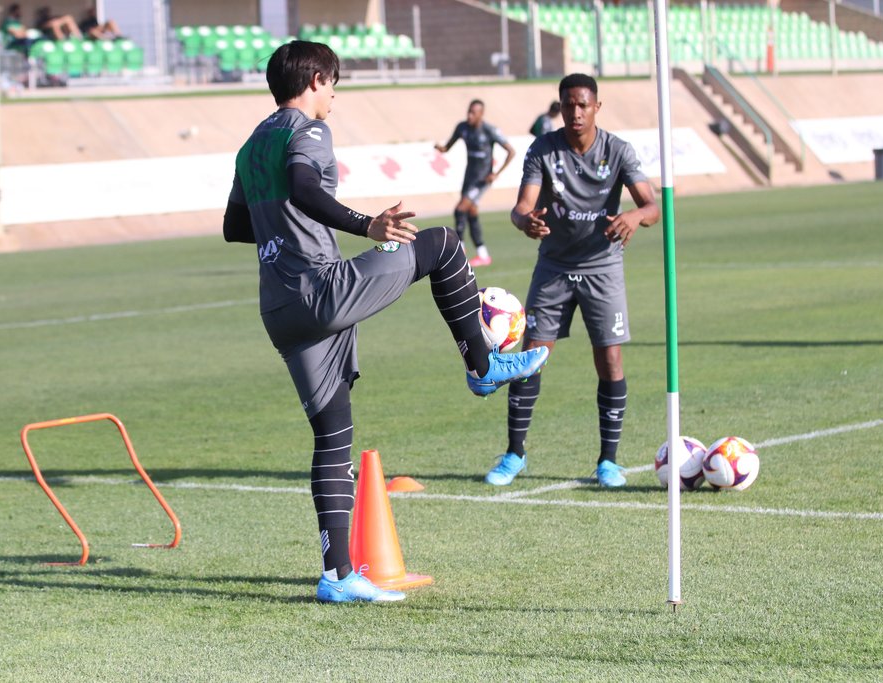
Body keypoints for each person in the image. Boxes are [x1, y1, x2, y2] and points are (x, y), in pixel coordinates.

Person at [223, 40, 549, 604]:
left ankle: (337, 576)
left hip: (279, 309)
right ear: (316, 80)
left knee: (332, 436)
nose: (334, 95)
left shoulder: (252, 145)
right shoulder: (308, 128)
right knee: (442, 245)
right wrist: (365, 225)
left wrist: (284, 228)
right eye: (333, 83)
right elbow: (303, 185)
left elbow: (235, 226)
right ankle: (483, 365)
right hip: (321, 291)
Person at [483, 73, 660, 489]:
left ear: (597, 106)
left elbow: (652, 206)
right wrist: (526, 222)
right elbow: (521, 207)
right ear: (560, 107)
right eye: (568, 105)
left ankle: (608, 462)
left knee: (610, 360)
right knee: (530, 358)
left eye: (583, 105)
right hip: (554, 268)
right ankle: (514, 454)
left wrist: (634, 216)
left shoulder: (617, 150)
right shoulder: (543, 149)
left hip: (603, 267)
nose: (576, 112)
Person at [434, 100, 515, 268]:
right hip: (469, 177)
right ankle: (483, 254)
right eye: (468, 112)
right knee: (471, 213)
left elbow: (511, 151)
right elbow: (448, 147)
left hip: (481, 180)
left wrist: (496, 173)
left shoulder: (489, 130)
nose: (469, 116)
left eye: (473, 113)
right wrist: (441, 148)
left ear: (481, 114)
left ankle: (459, 252)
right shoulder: (462, 128)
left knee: (459, 210)